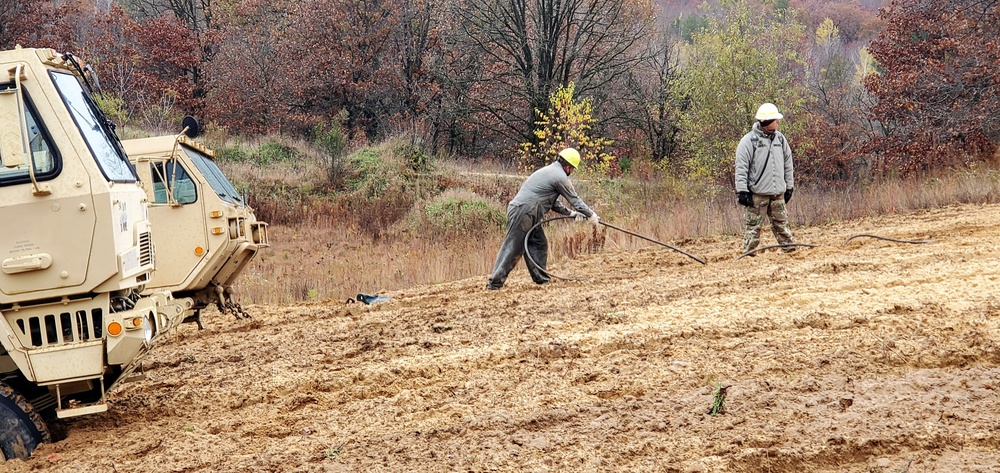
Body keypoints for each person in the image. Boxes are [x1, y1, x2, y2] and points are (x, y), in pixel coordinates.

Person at [486, 147, 599, 290]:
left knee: (539, 242)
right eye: (572, 169)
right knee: (514, 247)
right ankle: (494, 283)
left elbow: (552, 203)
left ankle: (541, 279)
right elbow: (575, 200)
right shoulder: (559, 176)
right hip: (524, 211)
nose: (572, 172)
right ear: (568, 166)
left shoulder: (549, 171)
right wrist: (591, 215)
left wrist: (571, 214)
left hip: (528, 211)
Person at [734, 103, 795, 255]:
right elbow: (741, 167)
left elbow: (788, 164)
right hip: (757, 194)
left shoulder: (780, 140)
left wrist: (789, 187)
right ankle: (749, 255)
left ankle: (790, 251)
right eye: (775, 119)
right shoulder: (749, 141)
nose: (778, 122)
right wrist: (742, 191)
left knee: (782, 225)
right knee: (753, 228)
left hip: (777, 194)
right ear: (767, 121)